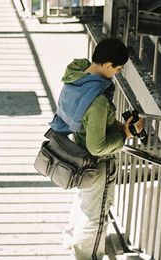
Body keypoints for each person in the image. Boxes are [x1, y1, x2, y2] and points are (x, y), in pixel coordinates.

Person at [49, 38, 144, 260]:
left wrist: (118, 126)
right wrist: (125, 134)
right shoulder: (98, 101)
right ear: (108, 65)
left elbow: (86, 120)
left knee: (84, 203)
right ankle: (85, 255)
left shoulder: (77, 74)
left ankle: (71, 238)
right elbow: (97, 146)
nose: (117, 73)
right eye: (118, 69)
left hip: (76, 153)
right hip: (95, 164)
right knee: (95, 217)